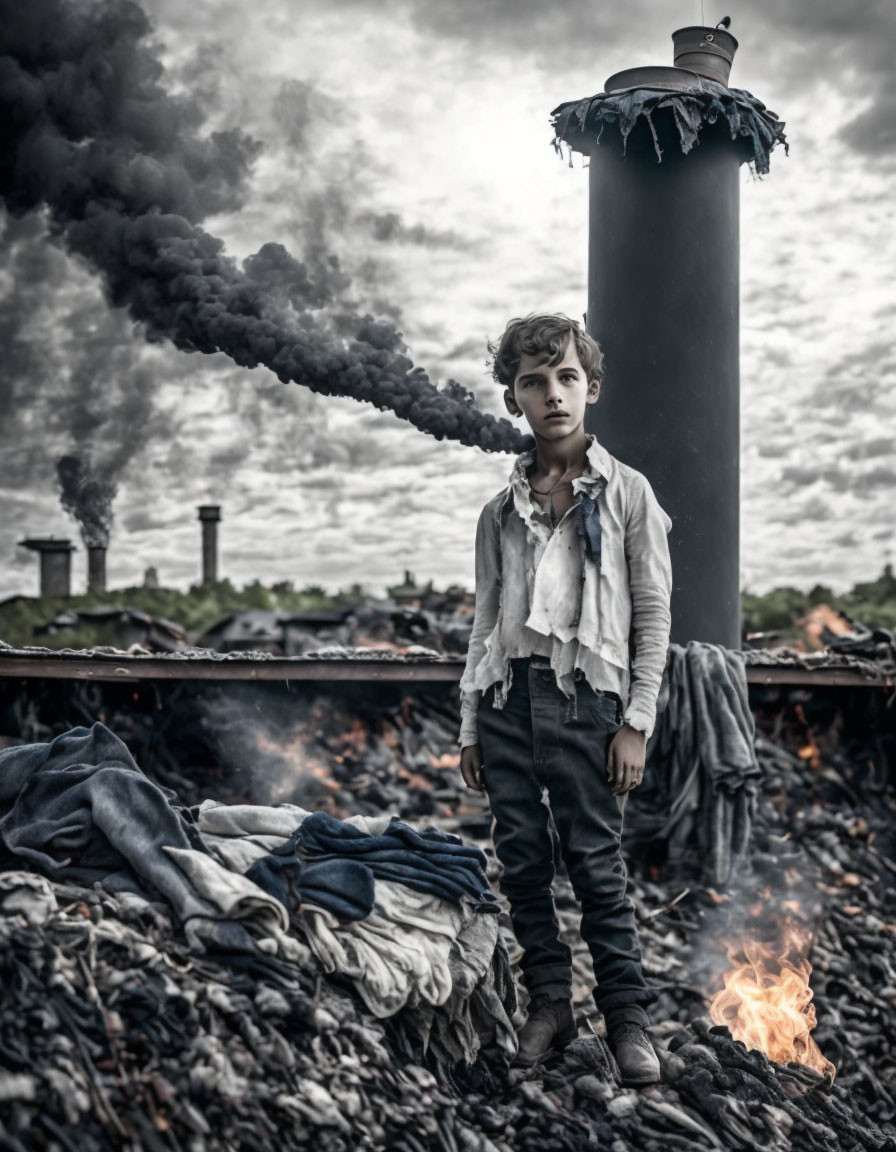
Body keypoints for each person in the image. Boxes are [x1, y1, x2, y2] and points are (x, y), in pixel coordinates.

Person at [458, 313, 672, 1085]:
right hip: (510, 701)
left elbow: (653, 617)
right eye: (534, 382)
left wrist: (636, 723)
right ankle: (549, 1001)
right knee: (520, 863)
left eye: (567, 378)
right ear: (515, 399)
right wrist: (472, 724)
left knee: (595, 865)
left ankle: (628, 1019)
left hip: (590, 705)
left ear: (593, 387)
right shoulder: (497, 512)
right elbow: (486, 619)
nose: (553, 394)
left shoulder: (629, 496)